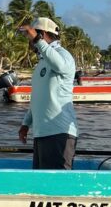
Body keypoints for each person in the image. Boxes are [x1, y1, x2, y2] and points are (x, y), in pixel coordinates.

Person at [17, 17, 78, 169]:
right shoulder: (42, 63)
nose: (29, 42)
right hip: (40, 134)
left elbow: (61, 66)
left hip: (59, 132)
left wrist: (37, 40)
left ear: (42, 34)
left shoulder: (64, 55)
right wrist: (26, 124)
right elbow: (38, 98)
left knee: (58, 188)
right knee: (41, 186)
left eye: (31, 38)